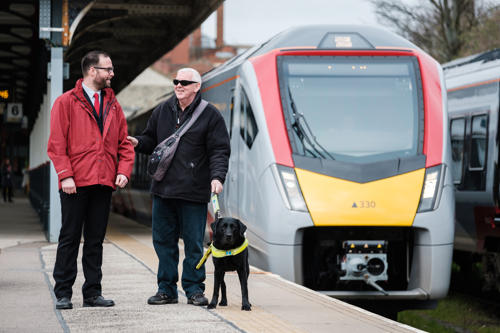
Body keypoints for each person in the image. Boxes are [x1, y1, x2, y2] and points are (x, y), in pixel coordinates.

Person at [127, 68, 230, 306]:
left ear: (197, 87)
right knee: (163, 242)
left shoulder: (210, 115)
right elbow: (151, 140)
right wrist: (138, 142)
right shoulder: (162, 110)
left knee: (194, 243)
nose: (179, 85)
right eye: (176, 81)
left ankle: (194, 289)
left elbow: (219, 150)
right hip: (163, 189)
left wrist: (217, 177)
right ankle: (166, 290)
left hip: (193, 192)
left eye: (185, 82)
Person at [47, 50, 135, 310]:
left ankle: (92, 293)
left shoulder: (113, 105)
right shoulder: (66, 102)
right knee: (70, 238)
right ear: (92, 71)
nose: (112, 73)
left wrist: (123, 170)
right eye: (108, 69)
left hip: (103, 182)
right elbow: (56, 144)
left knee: (95, 240)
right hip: (74, 183)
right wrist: (66, 176)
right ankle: (63, 292)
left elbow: (124, 144)